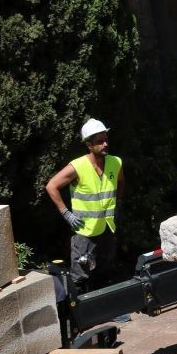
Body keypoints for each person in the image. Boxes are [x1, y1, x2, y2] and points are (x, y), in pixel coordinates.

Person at [45, 118, 124, 293]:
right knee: (80, 275)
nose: (105, 144)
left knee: (105, 271)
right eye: (99, 141)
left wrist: (118, 204)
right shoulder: (78, 166)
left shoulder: (115, 162)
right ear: (88, 144)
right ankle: (81, 315)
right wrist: (66, 213)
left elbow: (121, 182)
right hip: (85, 232)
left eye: (106, 140)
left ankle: (106, 310)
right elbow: (51, 186)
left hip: (107, 227)